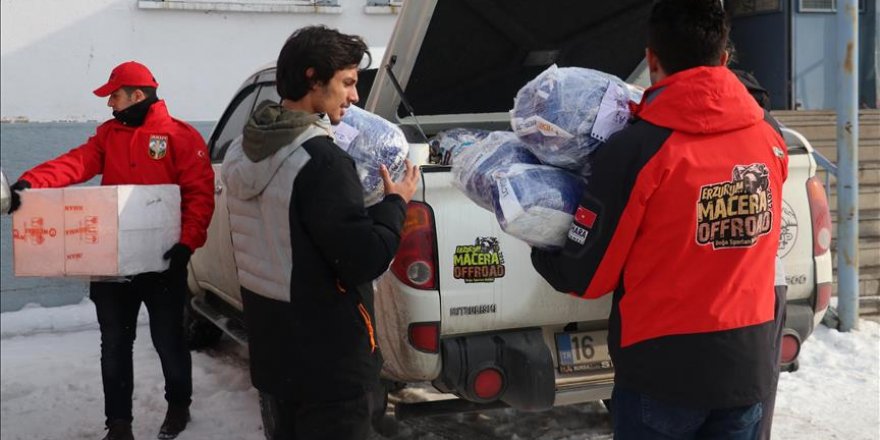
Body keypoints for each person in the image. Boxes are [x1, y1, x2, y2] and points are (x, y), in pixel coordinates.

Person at [530, 1, 788, 438]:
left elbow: (587, 276)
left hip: (661, 374)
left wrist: (540, 239)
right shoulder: (768, 135)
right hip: (748, 365)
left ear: (651, 59)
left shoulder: (636, 150)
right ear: (724, 58)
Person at [221, 25, 419, 440]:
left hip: (276, 353)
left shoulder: (245, 148)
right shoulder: (322, 161)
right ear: (313, 79)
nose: (355, 96)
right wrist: (395, 203)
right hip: (330, 365)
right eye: (347, 82)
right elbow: (363, 259)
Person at [8, 61, 215, 440]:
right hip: (112, 262)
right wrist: (31, 182)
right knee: (115, 344)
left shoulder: (180, 137)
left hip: (162, 262)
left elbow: (199, 195)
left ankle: (178, 406)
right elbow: (76, 162)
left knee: (169, 340)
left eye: (114, 96)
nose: (109, 104)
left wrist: (187, 244)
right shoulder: (109, 135)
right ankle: (118, 424)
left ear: (137, 95)